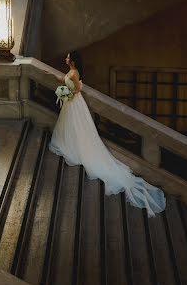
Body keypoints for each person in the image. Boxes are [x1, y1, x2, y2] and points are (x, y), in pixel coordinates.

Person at [49, 51, 166, 217]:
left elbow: (78, 88)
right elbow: (67, 80)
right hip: (72, 105)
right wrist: (56, 77)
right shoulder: (71, 71)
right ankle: (70, 144)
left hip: (75, 104)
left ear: (72, 61)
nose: (65, 58)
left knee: (79, 128)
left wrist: (66, 93)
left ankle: (79, 149)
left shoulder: (74, 73)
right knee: (71, 128)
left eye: (68, 57)